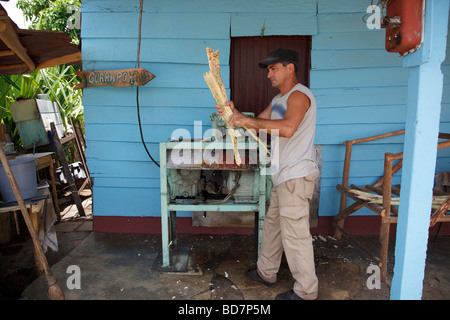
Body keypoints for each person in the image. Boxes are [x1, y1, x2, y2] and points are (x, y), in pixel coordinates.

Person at [216, 48, 319, 300]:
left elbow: (287, 129)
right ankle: (266, 273)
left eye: (273, 68)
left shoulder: (299, 96)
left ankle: (307, 292)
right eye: (268, 70)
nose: (268, 75)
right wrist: (234, 117)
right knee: (273, 227)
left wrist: (245, 120)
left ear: (290, 68)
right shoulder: (278, 101)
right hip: (282, 176)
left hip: (296, 176)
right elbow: (257, 128)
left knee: (295, 235)